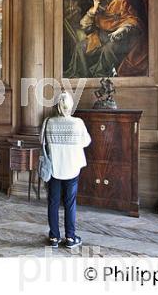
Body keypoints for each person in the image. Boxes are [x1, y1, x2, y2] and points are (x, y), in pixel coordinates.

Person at [40, 92, 91, 249]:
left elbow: (41, 141)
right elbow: (87, 142)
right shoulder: (77, 123)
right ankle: (70, 237)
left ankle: (54, 237)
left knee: (53, 202)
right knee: (70, 203)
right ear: (70, 106)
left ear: (57, 106)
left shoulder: (48, 122)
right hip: (72, 167)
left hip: (55, 168)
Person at [65, 0, 141, 78]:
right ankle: (83, 76)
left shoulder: (119, 2)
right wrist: (94, 9)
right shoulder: (95, 9)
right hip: (100, 37)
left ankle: (100, 76)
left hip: (119, 37)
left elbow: (132, 19)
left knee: (107, 49)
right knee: (80, 47)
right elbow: (84, 26)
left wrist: (121, 30)